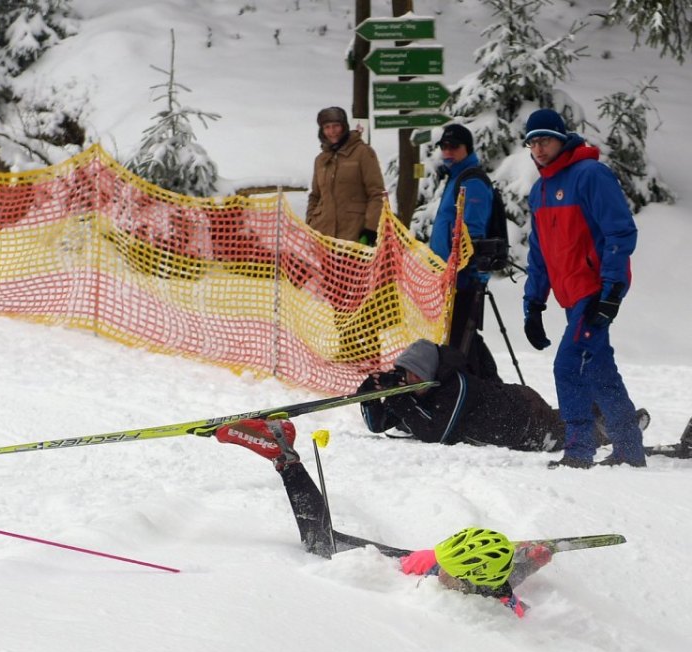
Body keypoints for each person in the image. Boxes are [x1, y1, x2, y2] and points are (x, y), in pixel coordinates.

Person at [213, 418, 554, 617]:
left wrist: (531, 564)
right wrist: (527, 560)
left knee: (322, 539)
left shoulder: (498, 596)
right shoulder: (441, 571)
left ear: (472, 581)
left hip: (428, 565)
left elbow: (508, 589)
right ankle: (283, 454)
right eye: (444, 563)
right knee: (320, 542)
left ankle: (282, 450)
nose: (443, 571)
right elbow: (502, 579)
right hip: (397, 560)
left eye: (449, 570)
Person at [520, 108, 646, 469]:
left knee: (568, 365)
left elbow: (620, 233)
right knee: (597, 370)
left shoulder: (591, 175)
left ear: (562, 139)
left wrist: (611, 291)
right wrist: (533, 305)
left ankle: (579, 449)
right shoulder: (540, 191)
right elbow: (539, 253)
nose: (539, 148)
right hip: (570, 295)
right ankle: (629, 449)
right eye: (532, 142)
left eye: (545, 139)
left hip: (595, 291)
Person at [356, 338, 635, 452]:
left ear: (430, 371)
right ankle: (599, 413)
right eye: (407, 374)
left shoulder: (458, 385)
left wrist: (399, 400)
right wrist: (371, 393)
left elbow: (437, 434)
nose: (409, 380)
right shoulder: (414, 391)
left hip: (523, 416)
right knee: (562, 420)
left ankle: (615, 427)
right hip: (513, 417)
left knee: (565, 436)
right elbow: (378, 425)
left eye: (416, 374)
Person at [428, 123, 500, 380]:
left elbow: (473, 232)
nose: (448, 151)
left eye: (454, 146)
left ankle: (479, 391)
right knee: (460, 340)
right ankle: (489, 390)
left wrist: (469, 271)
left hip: (463, 278)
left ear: (466, 148)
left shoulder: (472, 180)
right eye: (444, 147)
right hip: (448, 277)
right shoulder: (456, 177)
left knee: (460, 341)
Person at [305, 106, 385, 244]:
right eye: (327, 127)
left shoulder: (362, 152)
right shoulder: (321, 160)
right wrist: (311, 222)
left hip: (355, 235)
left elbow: (376, 194)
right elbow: (315, 196)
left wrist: (371, 229)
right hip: (324, 237)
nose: (332, 131)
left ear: (344, 127)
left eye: (336, 126)